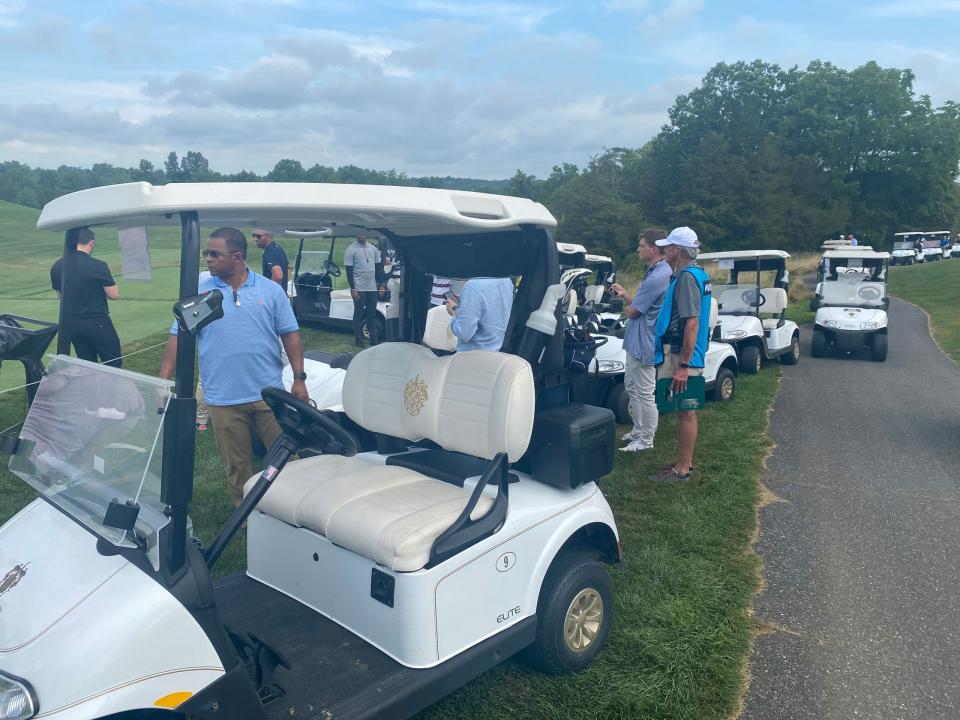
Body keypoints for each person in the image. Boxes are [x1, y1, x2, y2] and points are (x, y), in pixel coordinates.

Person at [159, 227, 309, 507]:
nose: (208, 259)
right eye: (206, 253)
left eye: (214, 254)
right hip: (223, 399)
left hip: (269, 396)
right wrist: (163, 380)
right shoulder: (202, 295)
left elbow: (290, 334)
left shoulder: (269, 290)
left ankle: (292, 512)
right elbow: (179, 336)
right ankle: (247, 521)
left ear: (237, 257)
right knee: (237, 467)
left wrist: (299, 378)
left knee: (288, 462)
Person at [650, 226, 712, 482]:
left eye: (667, 247)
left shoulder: (686, 277)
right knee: (683, 410)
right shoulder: (696, 274)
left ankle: (682, 469)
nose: (664, 251)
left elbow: (692, 323)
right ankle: (683, 462)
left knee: (685, 410)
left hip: (681, 354)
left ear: (677, 250)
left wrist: (684, 365)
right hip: (683, 353)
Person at [610, 229, 671, 453]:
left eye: (641, 245)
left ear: (653, 248)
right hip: (636, 340)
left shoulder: (658, 276)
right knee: (632, 387)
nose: (638, 249)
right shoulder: (657, 271)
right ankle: (638, 430)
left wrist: (628, 307)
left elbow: (635, 311)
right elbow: (639, 305)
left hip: (645, 341)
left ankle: (646, 439)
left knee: (645, 391)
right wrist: (626, 294)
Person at [50, 227, 123, 367]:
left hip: (72, 323)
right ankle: (109, 389)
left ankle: (90, 388)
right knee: (113, 362)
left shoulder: (57, 266)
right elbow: (114, 295)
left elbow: (61, 296)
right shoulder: (98, 265)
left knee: (87, 364)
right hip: (97, 322)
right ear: (91, 243)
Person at [446, 277, 514, 351]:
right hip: (497, 350)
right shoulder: (507, 280)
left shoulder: (472, 286)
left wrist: (454, 311)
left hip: (473, 355)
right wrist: (467, 301)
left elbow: (463, 333)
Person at [344, 230, 386, 347]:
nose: (361, 235)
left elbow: (378, 268)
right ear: (356, 235)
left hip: (371, 287)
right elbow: (348, 271)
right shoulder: (351, 250)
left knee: (371, 314)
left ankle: (374, 339)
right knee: (358, 313)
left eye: (363, 233)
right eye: (359, 233)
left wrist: (381, 283)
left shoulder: (373, 249)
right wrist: (353, 288)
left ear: (366, 234)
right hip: (359, 287)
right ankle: (358, 340)